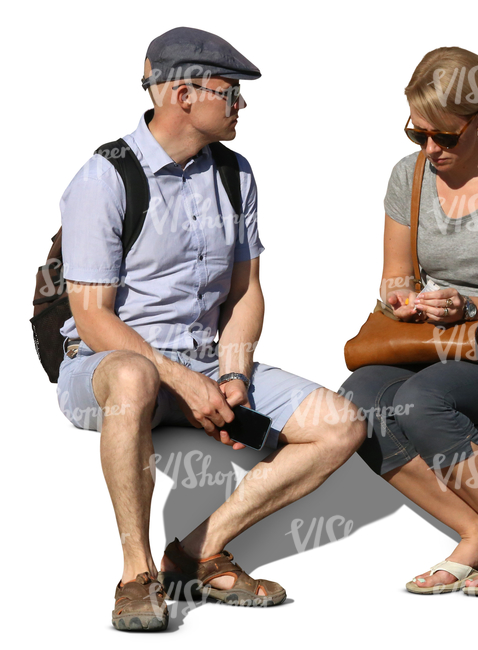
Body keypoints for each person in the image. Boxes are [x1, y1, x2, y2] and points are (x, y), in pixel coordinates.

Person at [56, 26, 365, 631]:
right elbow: (93, 316)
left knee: (341, 424)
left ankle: (195, 552)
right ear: (183, 95)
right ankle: (135, 573)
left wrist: (232, 374)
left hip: (203, 362)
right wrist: (180, 379)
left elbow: (246, 292)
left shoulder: (235, 172)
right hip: (106, 365)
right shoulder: (103, 178)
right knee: (135, 374)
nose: (241, 106)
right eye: (230, 92)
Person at [340, 46, 478, 597]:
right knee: (355, 403)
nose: (431, 149)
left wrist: (470, 306)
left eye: (445, 136)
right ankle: (474, 534)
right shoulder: (409, 176)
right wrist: (406, 303)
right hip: (430, 342)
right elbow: (394, 277)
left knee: (419, 402)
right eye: (418, 135)